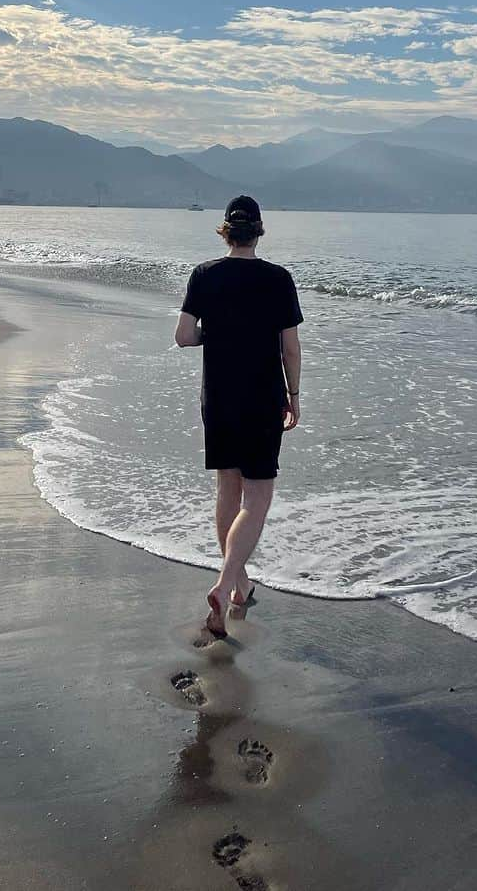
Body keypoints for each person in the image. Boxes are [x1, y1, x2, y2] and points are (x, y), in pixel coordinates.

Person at [174, 195, 302, 639]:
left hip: (219, 399)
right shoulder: (278, 279)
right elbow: (289, 347)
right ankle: (228, 583)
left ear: (225, 230)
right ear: (259, 229)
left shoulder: (204, 275)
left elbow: (184, 336)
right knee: (258, 498)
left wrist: (217, 331)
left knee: (228, 488)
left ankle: (240, 586)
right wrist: (294, 395)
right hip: (263, 399)